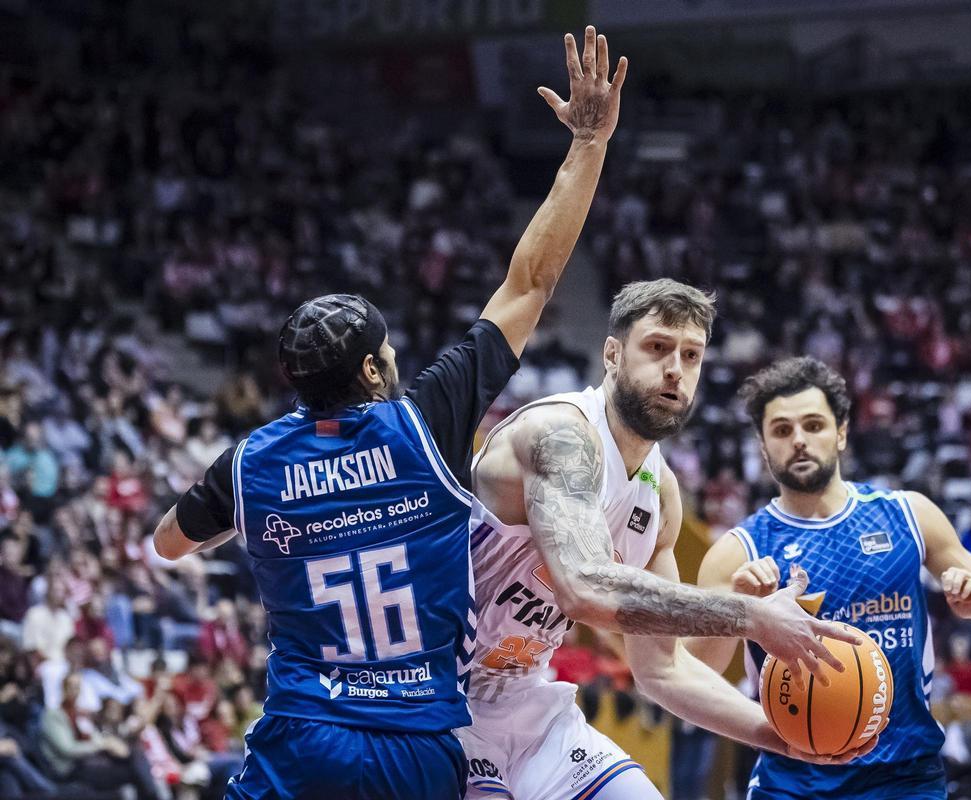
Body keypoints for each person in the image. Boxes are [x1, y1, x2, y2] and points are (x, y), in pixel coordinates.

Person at [152, 24, 628, 800]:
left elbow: (170, 541)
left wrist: (258, 522)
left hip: (302, 741)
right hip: (419, 745)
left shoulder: (252, 464)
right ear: (373, 369)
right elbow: (531, 283)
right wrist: (588, 145)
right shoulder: (423, 424)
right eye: (388, 350)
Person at [461, 281, 860, 799]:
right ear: (612, 354)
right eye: (657, 347)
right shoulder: (560, 433)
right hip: (436, 697)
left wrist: (780, 736)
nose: (675, 368)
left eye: (691, 355)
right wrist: (752, 616)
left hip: (524, 702)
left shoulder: (661, 492)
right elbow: (583, 588)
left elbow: (662, 668)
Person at [688, 356, 971, 799]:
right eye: (782, 430)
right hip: (793, 781)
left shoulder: (909, 515)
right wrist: (738, 611)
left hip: (905, 776)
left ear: (841, 432)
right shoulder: (738, 552)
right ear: (763, 445)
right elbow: (691, 674)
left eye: (813, 425)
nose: (799, 440)